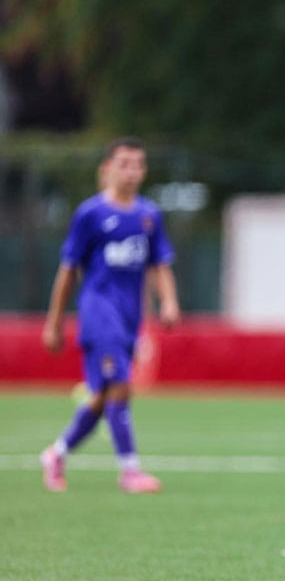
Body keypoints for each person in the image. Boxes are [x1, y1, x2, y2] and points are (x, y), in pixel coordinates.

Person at [40, 137, 180, 494]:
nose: (132, 171)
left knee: (103, 396)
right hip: (99, 311)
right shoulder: (90, 214)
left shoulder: (149, 215)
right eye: (124, 164)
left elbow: (159, 264)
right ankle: (129, 470)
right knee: (120, 384)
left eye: (138, 164)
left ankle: (57, 453)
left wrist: (169, 301)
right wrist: (54, 322)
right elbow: (68, 270)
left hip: (130, 315)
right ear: (107, 169)